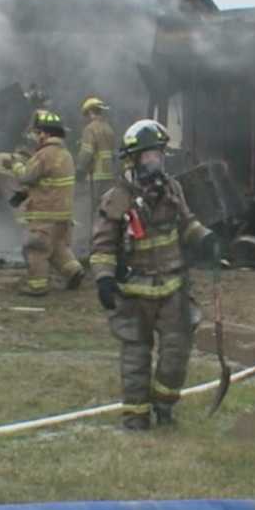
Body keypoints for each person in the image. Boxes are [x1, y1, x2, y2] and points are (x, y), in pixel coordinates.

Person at [90, 119, 218, 431]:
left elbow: (187, 223)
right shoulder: (117, 198)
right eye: (147, 156)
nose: (154, 162)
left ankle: (164, 407)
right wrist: (104, 279)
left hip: (173, 287)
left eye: (158, 155)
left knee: (177, 352)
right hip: (134, 293)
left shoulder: (172, 189)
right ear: (133, 159)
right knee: (135, 356)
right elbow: (103, 245)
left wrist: (206, 238)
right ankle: (136, 416)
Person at [7, 110, 85, 296]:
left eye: (37, 133)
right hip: (62, 214)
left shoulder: (44, 154)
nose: (35, 137)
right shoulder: (65, 154)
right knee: (57, 246)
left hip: (44, 214)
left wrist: (15, 164)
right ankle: (73, 270)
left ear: (46, 134)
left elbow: (27, 176)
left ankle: (37, 286)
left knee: (35, 248)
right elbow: (46, 182)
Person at [76, 97, 117, 249]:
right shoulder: (109, 129)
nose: (86, 118)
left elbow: (87, 152)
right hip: (109, 176)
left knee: (92, 211)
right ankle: (107, 241)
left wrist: (80, 169)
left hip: (95, 176)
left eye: (86, 114)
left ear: (91, 112)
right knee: (106, 209)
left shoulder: (90, 129)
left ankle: (93, 244)